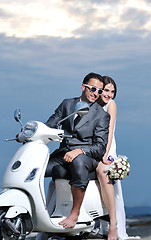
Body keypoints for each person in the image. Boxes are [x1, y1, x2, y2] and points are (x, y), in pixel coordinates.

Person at [44, 72, 113, 232]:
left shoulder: (101, 115)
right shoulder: (67, 104)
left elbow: (100, 147)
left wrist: (79, 150)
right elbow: (50, 124)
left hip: (87, 156)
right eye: (93, 89)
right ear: (83, 87)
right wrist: (32, 132)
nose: (96, 93)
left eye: (99, 91)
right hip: (62, 154)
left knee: (78, 161)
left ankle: (75, 213)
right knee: (37, 168)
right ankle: (39, 211)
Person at [96, 76, 129, 239]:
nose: (109, 94)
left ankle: (114, 225)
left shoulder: (111, 105)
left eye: (112, 91)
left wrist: (105, 153)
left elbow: (109, 132)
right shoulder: (93, 104)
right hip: (94, 148)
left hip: (107, 149)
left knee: (106, 178)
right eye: (106, 90)